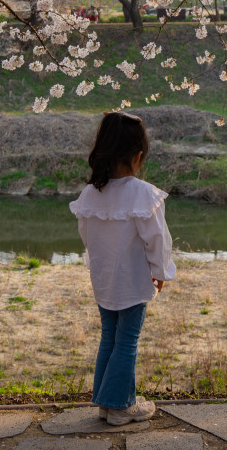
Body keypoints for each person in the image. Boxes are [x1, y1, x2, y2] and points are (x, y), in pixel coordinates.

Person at [69, 112, 175, 426]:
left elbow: (87, 238)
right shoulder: (143, 194)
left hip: (103, 280)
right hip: (132, 282)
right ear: (137, 157)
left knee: (110, 337)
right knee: (127, 339)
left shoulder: (91, 194)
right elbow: (157, 240)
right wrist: (161, 271)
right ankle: (120, 406)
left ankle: (107, 401)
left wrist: (98, 266)